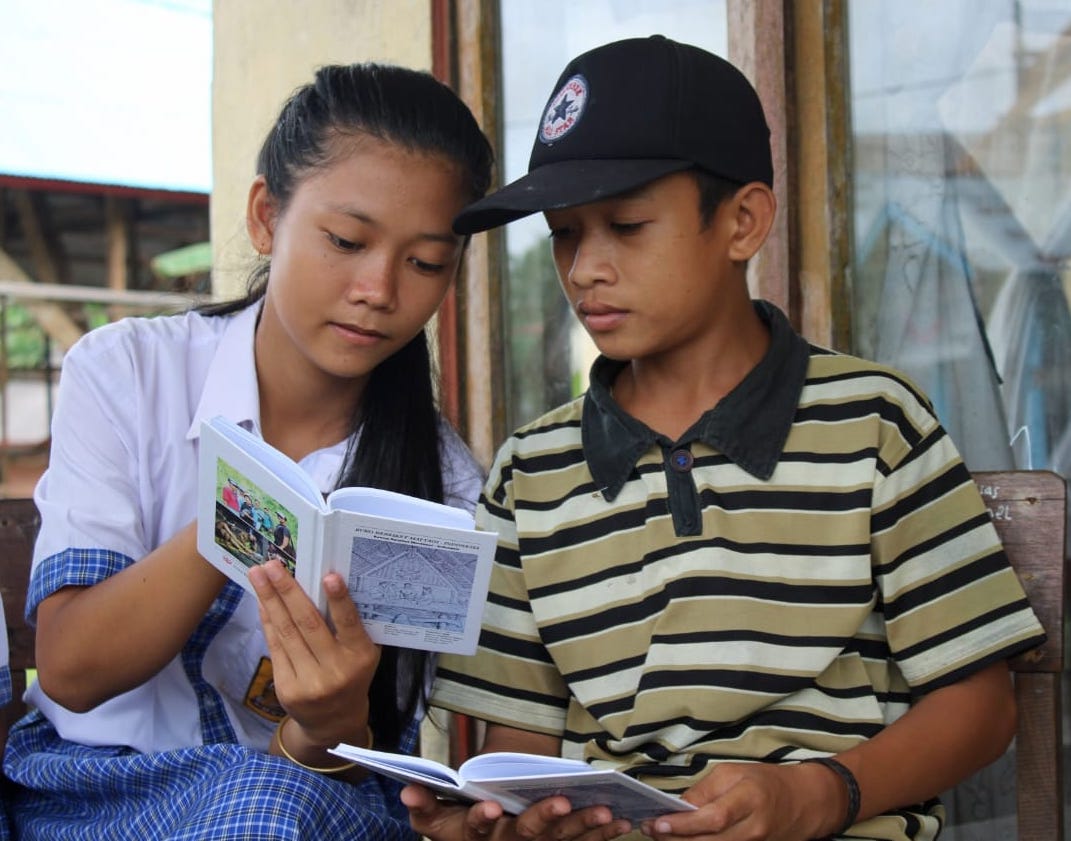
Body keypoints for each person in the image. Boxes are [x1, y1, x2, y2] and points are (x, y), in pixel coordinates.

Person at [402, 36, 1047, 841]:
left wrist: (819, 794)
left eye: (626, 226)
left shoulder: (873, 424)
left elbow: (980, 707)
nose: (584, 268)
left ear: (742, 222)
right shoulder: (531, 476)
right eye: (564, 234)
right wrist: (514, 821)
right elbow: (521, 743)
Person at [3, 61, 493, 841]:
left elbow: (342, 771)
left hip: (291, 806)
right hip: (91, 797)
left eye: (425, 262)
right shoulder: (131, 372)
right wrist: (249, 508)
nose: (378, 287)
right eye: (345, 240)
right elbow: (71, 669)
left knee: (267, 809)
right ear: (266, 216)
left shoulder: (439, 486)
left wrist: (324, 721)